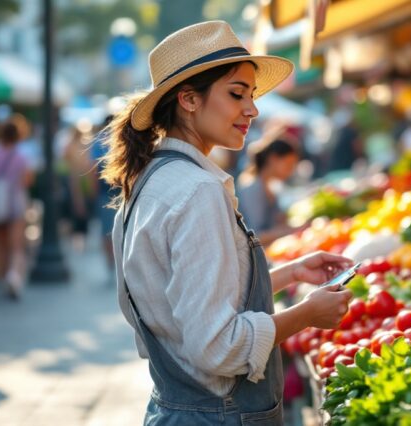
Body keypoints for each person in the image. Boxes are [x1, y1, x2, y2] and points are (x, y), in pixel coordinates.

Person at [101, 21, 353, 425]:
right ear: (188, 99)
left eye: (251, 95)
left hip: (172, 408)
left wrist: (288, 273)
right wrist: (306, 314)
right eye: (237, 94)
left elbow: (185, 302)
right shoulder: (197, 190)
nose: (252, 109)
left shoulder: (147, 182)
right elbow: (217, 347)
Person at [0, 117, 34, 299]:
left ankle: (4, 279)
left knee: (2, 245)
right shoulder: (21, 154)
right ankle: (14, 276)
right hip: (16, 202)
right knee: (17, 246)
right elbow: (27, 180)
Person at [237, 137, 299, 246]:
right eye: (289, 164)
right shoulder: (253, 189)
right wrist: (289, 231)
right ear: (273, 159)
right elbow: (254, 235)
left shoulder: (271, 186)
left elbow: (278, 221)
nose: (291, 170)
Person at [89, 115, 117, 274]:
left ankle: (110, 262)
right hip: (124, 190)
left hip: (104, 190)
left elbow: (93, 169)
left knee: (106, 230)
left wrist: (93, 192)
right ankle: (119, 259)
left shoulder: (98, 141)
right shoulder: (123, 138)